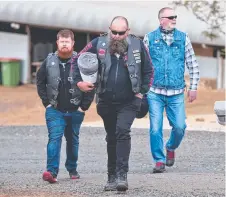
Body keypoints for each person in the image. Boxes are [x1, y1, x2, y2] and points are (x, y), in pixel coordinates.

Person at [72, 16, 154, 191]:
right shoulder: (98, 43)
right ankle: (111, 176)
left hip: (130, 101)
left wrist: (141, 92)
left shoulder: (138, 45)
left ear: (128, 31)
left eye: (121, 33)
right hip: (105, 100)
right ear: (109, 29)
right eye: (113, 32)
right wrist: (79, 82)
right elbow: (76, 61)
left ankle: (122, 175)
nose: (116, 36)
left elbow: (149, 70)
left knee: (122, 132)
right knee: (111, 137)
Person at [143, 7, 200, 173]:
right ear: (161, 20)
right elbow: (143, 65)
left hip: (176, 93)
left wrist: (193, 87)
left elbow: (193, 64)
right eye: (171, 17)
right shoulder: (149, 38)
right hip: (154, 91)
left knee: (180, 126)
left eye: (175, 17)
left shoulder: (183, 38)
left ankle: (170, 147)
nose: (174, 19)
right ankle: (159, 160)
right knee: (155, 128)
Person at [36, 29, 94, 183]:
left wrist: (84, 107)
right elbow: (40, 82)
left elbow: (91, 84)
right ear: (57, 43)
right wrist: (47, 103)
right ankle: (51, 172)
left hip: (76, 110)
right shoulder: (49, 61)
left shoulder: (81, 61)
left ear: (73, 43)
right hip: (55, 110)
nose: (64, 45)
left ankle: (72, 168)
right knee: (54, 138)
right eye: (62, 42)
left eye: (67, 42)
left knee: (73, 140)